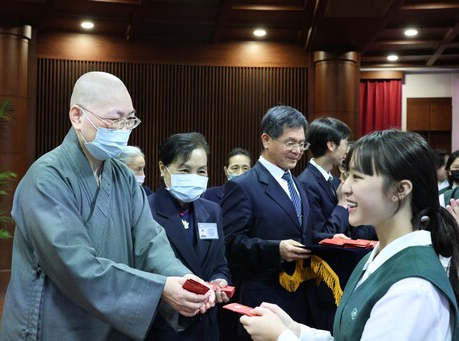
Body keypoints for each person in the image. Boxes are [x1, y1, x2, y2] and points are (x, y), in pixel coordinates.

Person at [0, 72, 215, 341]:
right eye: (113, 120)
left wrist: (183, 279)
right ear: (77, 116)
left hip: (111, 324)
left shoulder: (123, 177)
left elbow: (150, 243)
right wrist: (160, 288)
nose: (124, 129)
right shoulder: (46, 178)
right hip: (55, 321)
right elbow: (74, 265)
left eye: (129, 119)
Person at [240, 129, 459, 341]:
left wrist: (281, 337)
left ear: (400, 190)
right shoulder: (375, 258)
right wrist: (296, 330)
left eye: (358, 177)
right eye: (347, 175)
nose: (345, 188)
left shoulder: (413, 289)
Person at [221, 105, 313, 336]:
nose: (298, 150)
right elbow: (230, 244)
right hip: (262, 298)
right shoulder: (243, 186)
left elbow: (303, 233)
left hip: (300, 298)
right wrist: (276, 250)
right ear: (266, 139)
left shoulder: (299, 186)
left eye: (302, 144)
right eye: (290, 142)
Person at [146, 132, 231, 340]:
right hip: (165, 325)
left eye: (201, 171)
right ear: (162, 168)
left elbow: (220, 264)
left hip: (207, 324)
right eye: (185, 170)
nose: (194, 177)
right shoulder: (146, 210)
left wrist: (220, 280)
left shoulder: (212, 211)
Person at [297, 117, 351, 243]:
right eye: (346, 144)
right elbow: (320, 235)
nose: (347, 150)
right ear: (331, 145)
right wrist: (342, 206)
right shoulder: (306, 183)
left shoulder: (334, 181)